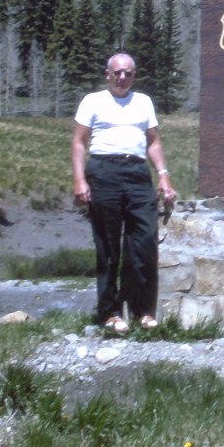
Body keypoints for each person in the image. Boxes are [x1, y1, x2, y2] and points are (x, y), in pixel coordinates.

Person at [72, 53, 177, 335]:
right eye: (117, 72)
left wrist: (163, 175)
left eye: (128, 73)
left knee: (143, 243)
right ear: (107, 74)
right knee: (108, 248)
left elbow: (152, 141)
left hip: (137, 172)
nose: (122, 78)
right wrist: (80, 179)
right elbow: (80, 142)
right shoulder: (92, 101)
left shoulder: (143, 102)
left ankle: (144, 312)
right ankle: (109, 313)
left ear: (134, 75)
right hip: (103, 170)